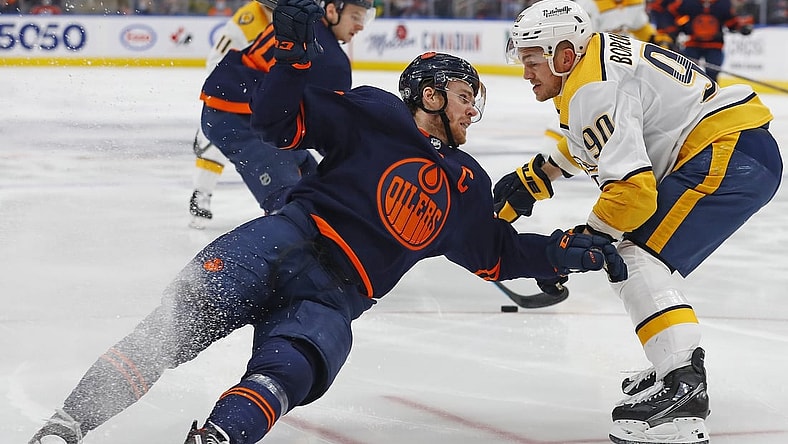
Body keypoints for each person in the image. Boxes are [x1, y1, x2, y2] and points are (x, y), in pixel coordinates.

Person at [27, 1, 627, 443]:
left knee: (286, 372)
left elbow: (498, 254)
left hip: (335, 299)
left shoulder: (465, 184)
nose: (476, 106)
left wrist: (568, 252)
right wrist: (289, 58)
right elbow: (276, 124)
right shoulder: (374, 112)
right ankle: (62, 429)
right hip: (280, 241)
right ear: (433, 96)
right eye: (466, 94)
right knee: (168, 331)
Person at [497, 0, 782, 443]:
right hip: (737, 148)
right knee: (632, 251)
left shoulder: (591, 87)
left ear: (564, 55)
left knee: (633, 255)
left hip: (729, 154)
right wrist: (540, 175)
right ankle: (674, 366)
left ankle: (682, 388)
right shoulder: (595, 63)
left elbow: (632, 190)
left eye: (533, 61)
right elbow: (606, 138)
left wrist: (581, 242)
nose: (527, 72)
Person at [190, 0, 375, 228]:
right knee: (288, 205)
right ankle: (269, 257)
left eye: (365, 18)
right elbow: (330, 131)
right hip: (240, 117)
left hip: (242, 108)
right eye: (356, 16)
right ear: (331, 10)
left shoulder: (301, 23)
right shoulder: (331, 58)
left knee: (319, 190)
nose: (361, 26)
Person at [189, 0, 274, 227]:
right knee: (218, 139)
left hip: (261, 87)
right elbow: (217, 62)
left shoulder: (285, 15)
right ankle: (201, 194)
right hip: (237, 86)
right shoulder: (250, 18)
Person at [651, 0, 754, 83]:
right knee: (687, 73)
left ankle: (712, 99)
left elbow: (730, 21)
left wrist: (741, 27)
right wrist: (672, 30)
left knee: (712, 74)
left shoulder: (723, 3)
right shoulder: (687, 3)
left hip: (715, 45)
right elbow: (671, 13)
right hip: (692, 43)